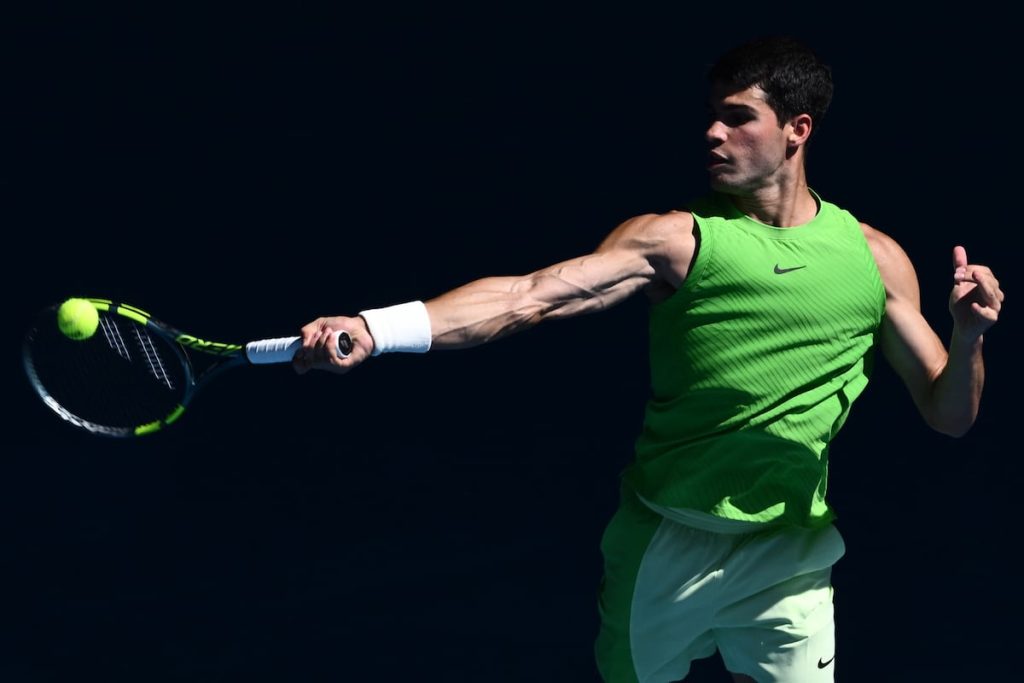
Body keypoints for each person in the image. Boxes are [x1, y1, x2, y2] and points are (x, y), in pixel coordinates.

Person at [291, 36, 1004, 683]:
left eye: (738, 118)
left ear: (798, 129)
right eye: (711, 116)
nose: (713, 133)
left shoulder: (875, 260)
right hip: (669, 543)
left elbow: (949, 414)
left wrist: (968, 336)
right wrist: (376, 328)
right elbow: (528, 296)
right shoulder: (674, 240)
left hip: (791, 553)